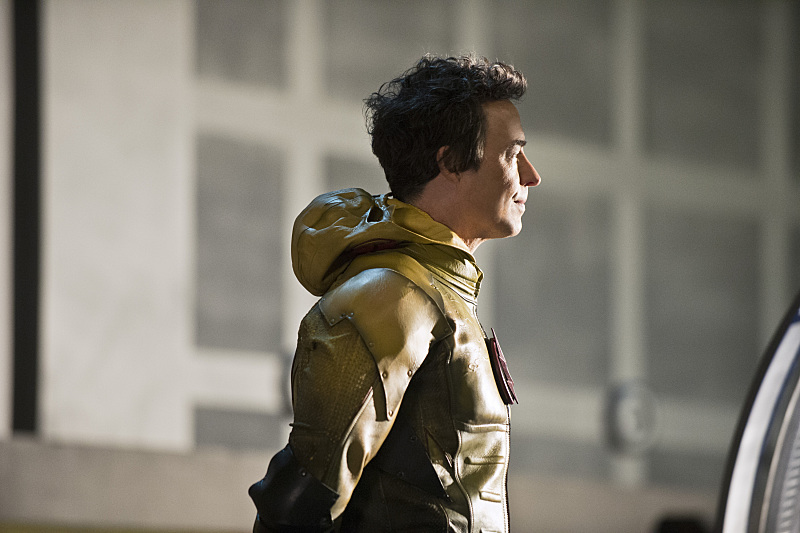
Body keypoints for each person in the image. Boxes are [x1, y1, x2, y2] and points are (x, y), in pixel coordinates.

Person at [249, 54, 541, 532]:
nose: (531, 175)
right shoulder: (393, 296)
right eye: (513, 154)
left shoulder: (438, 293)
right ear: (450, 162)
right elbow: (297, 505)